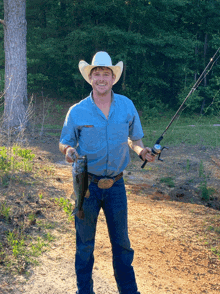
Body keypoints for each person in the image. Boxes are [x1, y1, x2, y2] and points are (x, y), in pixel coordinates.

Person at [59, 51, 155, 294]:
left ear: (114, 78)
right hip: (86, 186)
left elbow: (135, 140)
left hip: (116, 186)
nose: (101, 78)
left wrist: (143, 152)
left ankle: (129, 291)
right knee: (84, 246)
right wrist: (69, 149)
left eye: (106, 74)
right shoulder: (77, 110)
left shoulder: (127, 105)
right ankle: (85, 291)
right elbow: (64, 142)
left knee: (122, 245)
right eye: (97, 74)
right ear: (90, 78)